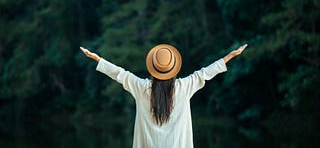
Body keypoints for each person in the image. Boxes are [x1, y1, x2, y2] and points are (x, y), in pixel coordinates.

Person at [80, 43, 247, 148]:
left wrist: (98, 59)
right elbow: (205, 73)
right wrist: (230, 56)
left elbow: (120, 74)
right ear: (173, 69)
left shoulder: (142, 88)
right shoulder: (184, 87)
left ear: (153, 68)